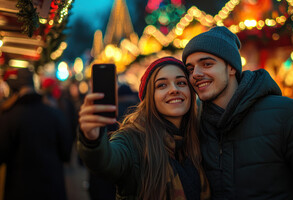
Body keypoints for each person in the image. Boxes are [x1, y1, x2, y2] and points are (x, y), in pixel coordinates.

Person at [182, 26, 293, 199]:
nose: (195, 74)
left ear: (231, 67)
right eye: (190, 69)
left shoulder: (289, 114)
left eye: (207, 64)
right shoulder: (197, 126)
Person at [77, 57, 211, 200]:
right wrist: (92, 140)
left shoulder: (200, 136)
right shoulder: (133, 139)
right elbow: (107, 161)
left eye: (181, 83)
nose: (174, 90)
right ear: (149, 98)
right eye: (162, 85)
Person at [0, 68, 73, 200]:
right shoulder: (54, 113)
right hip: (52, 188)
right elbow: (66, 153)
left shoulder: (8, 116)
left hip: (19, 190)